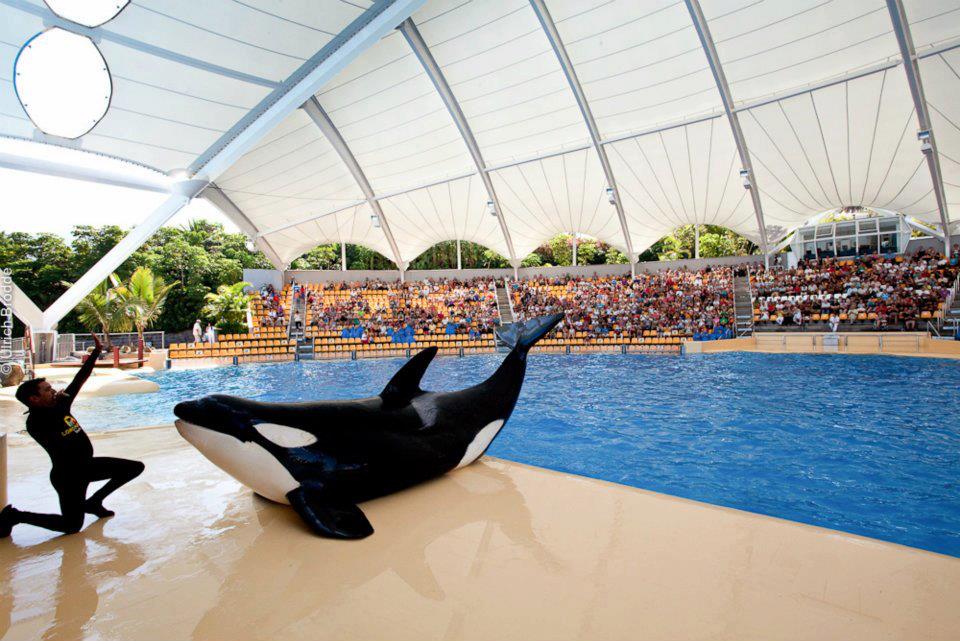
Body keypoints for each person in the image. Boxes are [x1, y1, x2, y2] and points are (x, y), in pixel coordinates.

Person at [0, 334, 144, 537]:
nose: (53, 391)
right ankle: (16, 516)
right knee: (71, 526)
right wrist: (60, 405)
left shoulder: (59, 405)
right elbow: (63, 447)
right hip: (69, 475)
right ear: (34, 399)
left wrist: (96, 352)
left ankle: (94, 501)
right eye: (47, 390)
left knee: (134, 468)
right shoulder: (36, 423)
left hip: (84, 467)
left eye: (51, 388)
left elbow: (80, 379)